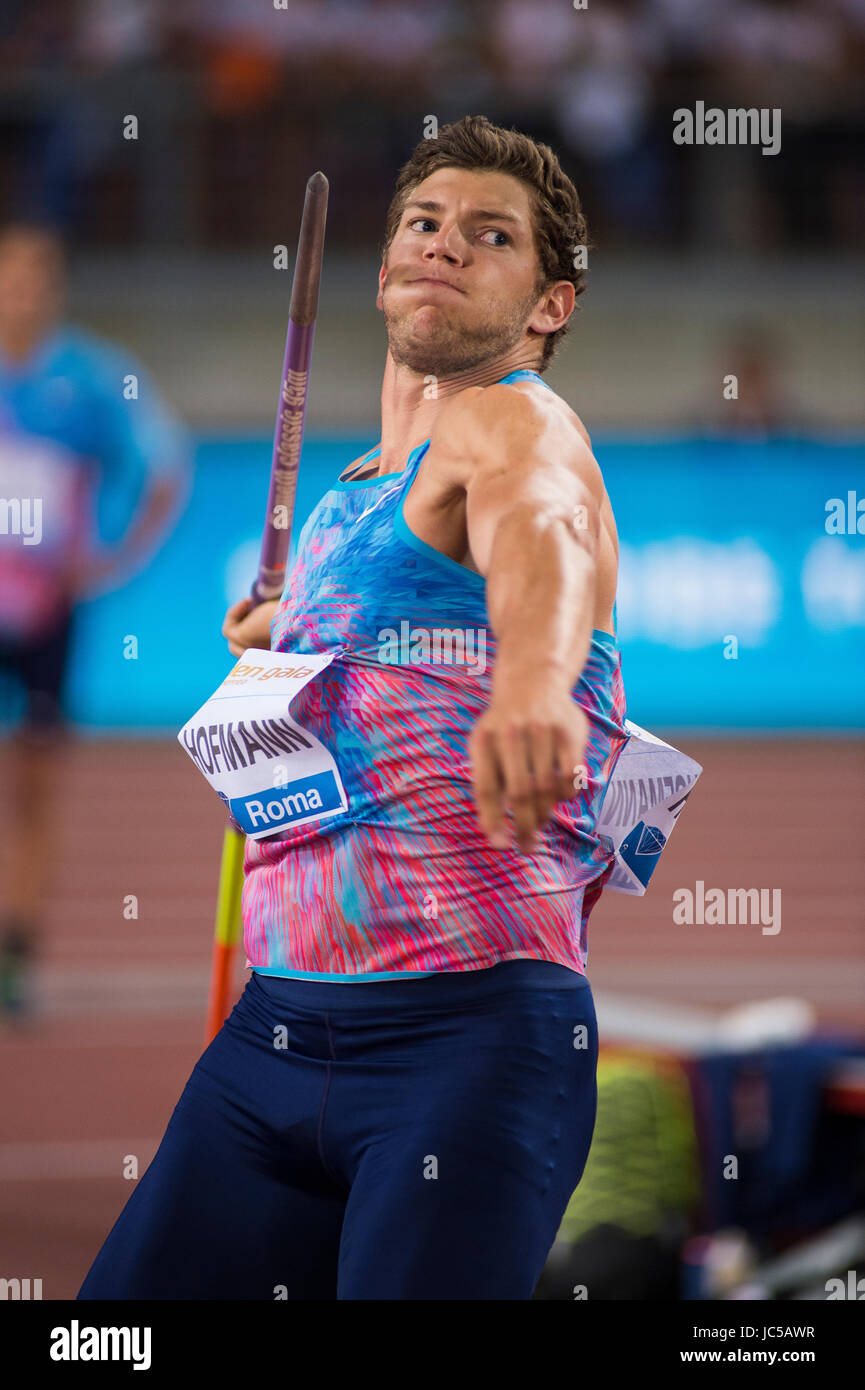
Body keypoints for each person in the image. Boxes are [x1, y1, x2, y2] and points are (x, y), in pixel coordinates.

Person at [78, 115, 627, 1300]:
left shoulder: (513, 420)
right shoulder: (354, 493)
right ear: (381, 272)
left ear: (550, 305)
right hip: (276, 1036)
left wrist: (535, 682)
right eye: (424, 226)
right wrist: (294, 644)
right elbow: (415, 630)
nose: (445, 246)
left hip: (465, 1041)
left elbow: (545, 531)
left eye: (490, 236)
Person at [0, 221, 189, 1017]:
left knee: (35, 787)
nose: (25, 293)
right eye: (12, 277)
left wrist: (112, 560)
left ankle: (15, 952)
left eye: (39, 278)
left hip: (48, 612)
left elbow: (166, 469)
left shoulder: (94, 377)